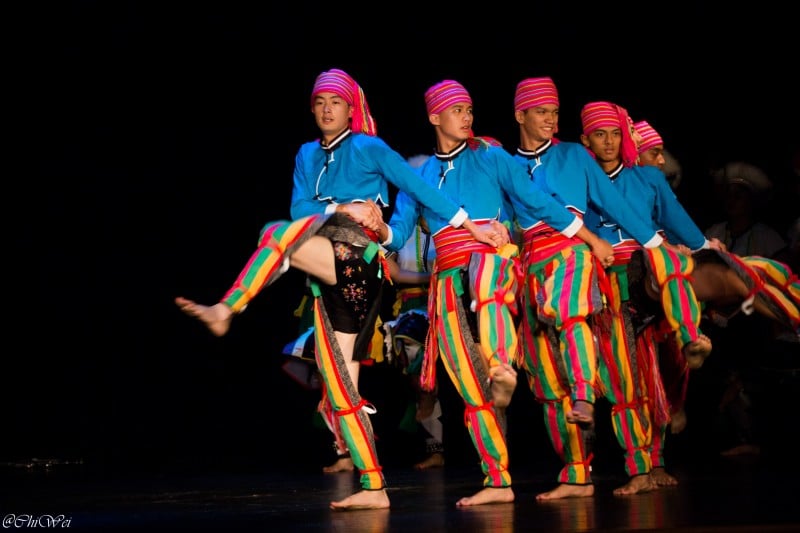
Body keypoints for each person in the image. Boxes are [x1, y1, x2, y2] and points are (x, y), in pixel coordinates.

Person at [174, 68, 504, 511]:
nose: (327, 109)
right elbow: (300, 209)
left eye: (336, 102)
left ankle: (228, 308)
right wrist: (341, 206)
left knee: (274, 233)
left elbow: (419, 188)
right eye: (320, 102)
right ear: (312, 109)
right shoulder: (307, 154)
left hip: (358, 261)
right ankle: (373, 487)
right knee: (340, 384)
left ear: (351, 110)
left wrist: (469, 226)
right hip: (327, 270)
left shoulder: (369, 147)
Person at [378, 79, 613, 507]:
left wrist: (590, 238)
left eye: (470, 109)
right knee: (471, 388)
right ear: (434, 117)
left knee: (520, 336)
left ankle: (504, 366)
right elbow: (399, 230)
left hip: (494, 263)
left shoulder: (491, 156)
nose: (467, 117)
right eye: (458, 110)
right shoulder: (420, 175)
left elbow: (536, 202)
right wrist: (378, 229)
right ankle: (497, 480)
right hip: (447, 281)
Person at [509, 77, 667, 501]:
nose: (550, 119)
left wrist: (658, 244)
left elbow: (615, 206)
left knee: (615, 370)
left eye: (554, 112)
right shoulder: (507, 164)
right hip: (530, 271)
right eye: (541, 112)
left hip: (579, 261)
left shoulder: (573, 155)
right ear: (520, 114)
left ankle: (639, 464)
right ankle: (576, 474)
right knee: (546, 379)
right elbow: (505, 218)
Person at [580, 100, 722, 495]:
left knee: (660, 371)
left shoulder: (647, 179)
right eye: (600, 135)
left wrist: (707, 249)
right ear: (587, 141)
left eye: (616, 134)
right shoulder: (580, 180)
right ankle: (639, 469)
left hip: (648, 274)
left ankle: (690, 336)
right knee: (627, 380)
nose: (610, 142)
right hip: (606, 280)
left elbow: (681, 227)